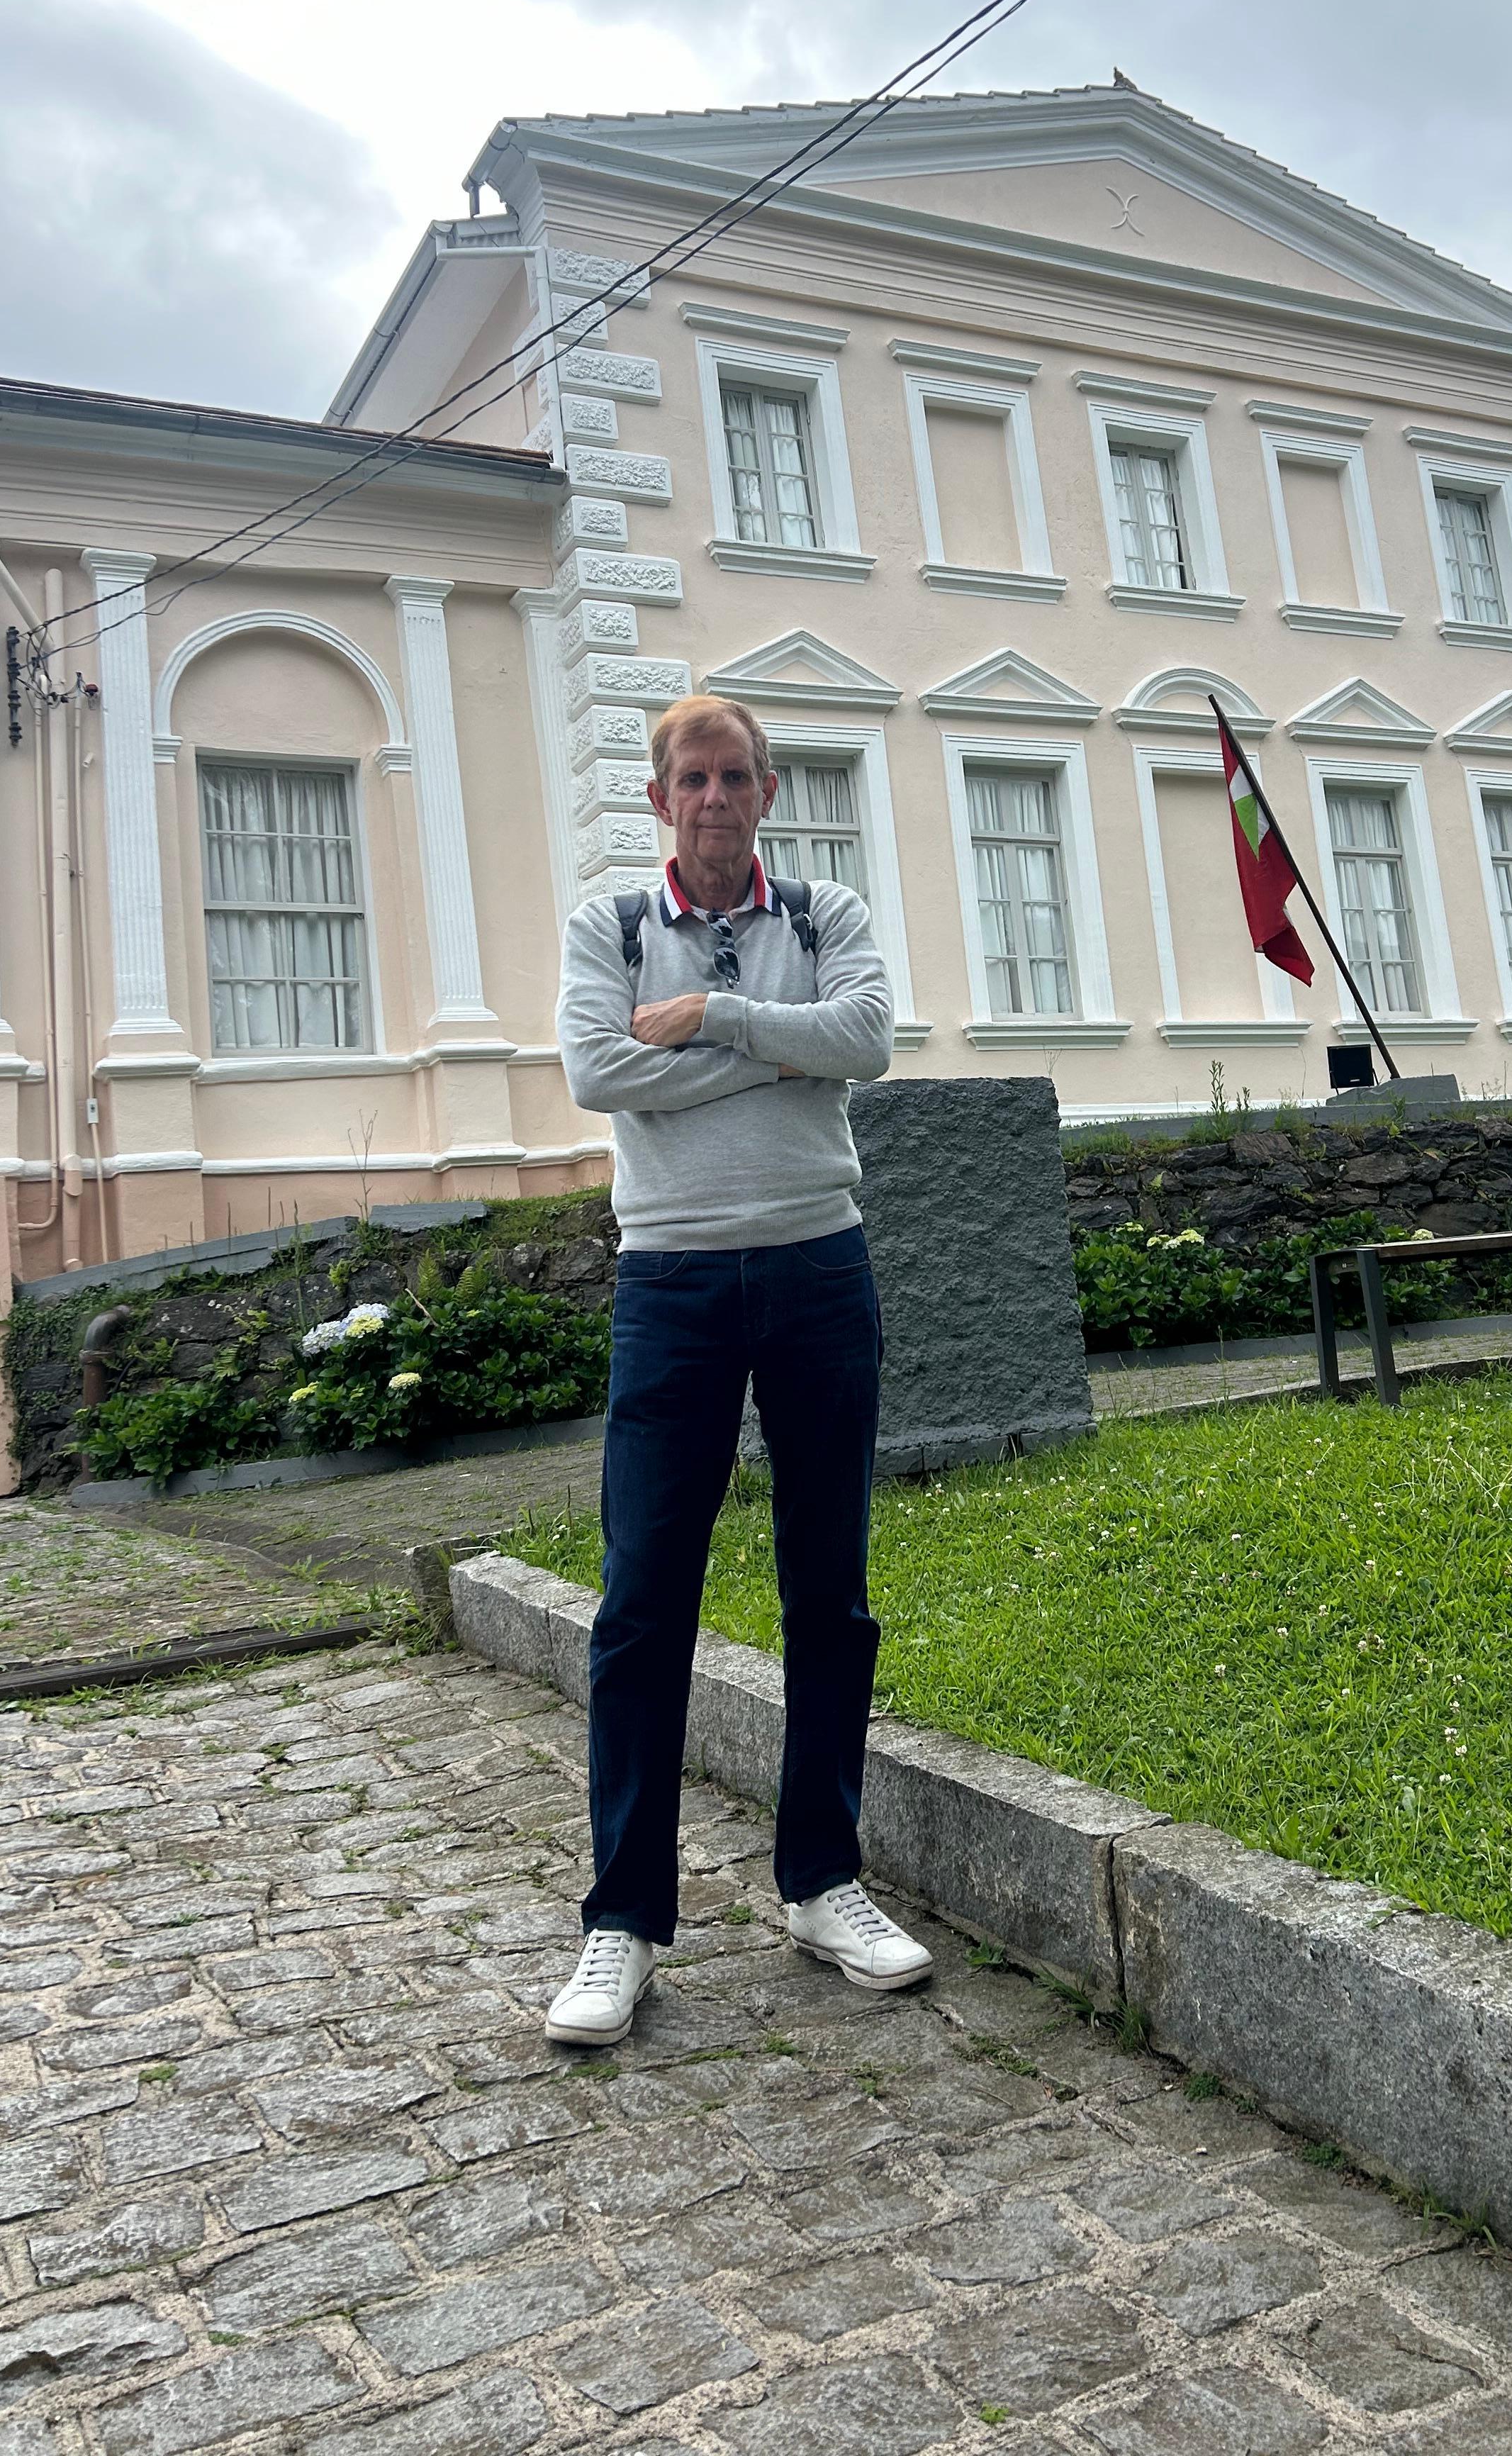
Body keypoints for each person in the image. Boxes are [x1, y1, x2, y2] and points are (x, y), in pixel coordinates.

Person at [545, 693, 934, 2045]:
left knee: (830, 1592)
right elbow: (598, 1069)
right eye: (691, 778)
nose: (715, 797)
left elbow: (870, 1041)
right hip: (675, 1281)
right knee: (643, 1599)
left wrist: (710, 1015)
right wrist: (781, 1044)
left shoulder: (828, 915)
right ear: (661, 799)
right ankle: (621, 1921)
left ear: (770, 790)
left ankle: (824, 1882)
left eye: (737, 776)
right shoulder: (609, 927)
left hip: (822, 1269)